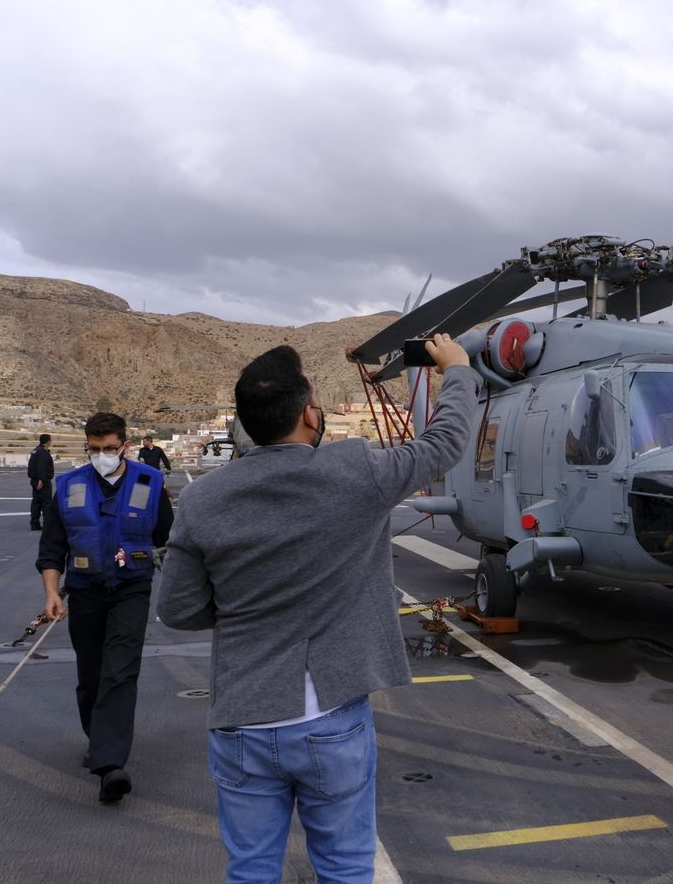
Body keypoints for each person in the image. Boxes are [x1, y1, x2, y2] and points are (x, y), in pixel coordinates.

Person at [158, 336, 474, 882]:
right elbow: (444, 443)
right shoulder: (357, 471)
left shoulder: (203, 498)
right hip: (330, 716)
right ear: (309, 414)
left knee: (251, 870)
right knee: (346, 867)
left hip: (242, 717)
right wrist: (460, 371)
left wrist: (245, 608)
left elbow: (181, 609)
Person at [36, 412, 172, 804]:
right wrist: (51, 593)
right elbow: (52, 548)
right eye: (94, 450)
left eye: (109, 449)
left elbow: (170, 538)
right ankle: (99, 740)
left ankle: (110, 765)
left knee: (120, 671)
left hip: (132, 587)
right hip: (85, 590)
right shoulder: (69, 485)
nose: (102, 456)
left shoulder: (151, 481)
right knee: (91, 676)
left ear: (124, 446)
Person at [28, 433, 55, 530]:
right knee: (46, 503)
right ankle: (48, 525)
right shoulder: (43, 452)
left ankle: (34, 524)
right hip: (43, 481)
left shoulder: (35, 451)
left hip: (34, 480)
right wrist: (41, 480)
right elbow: (41, 467)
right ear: (48, 441)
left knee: (36, 502)